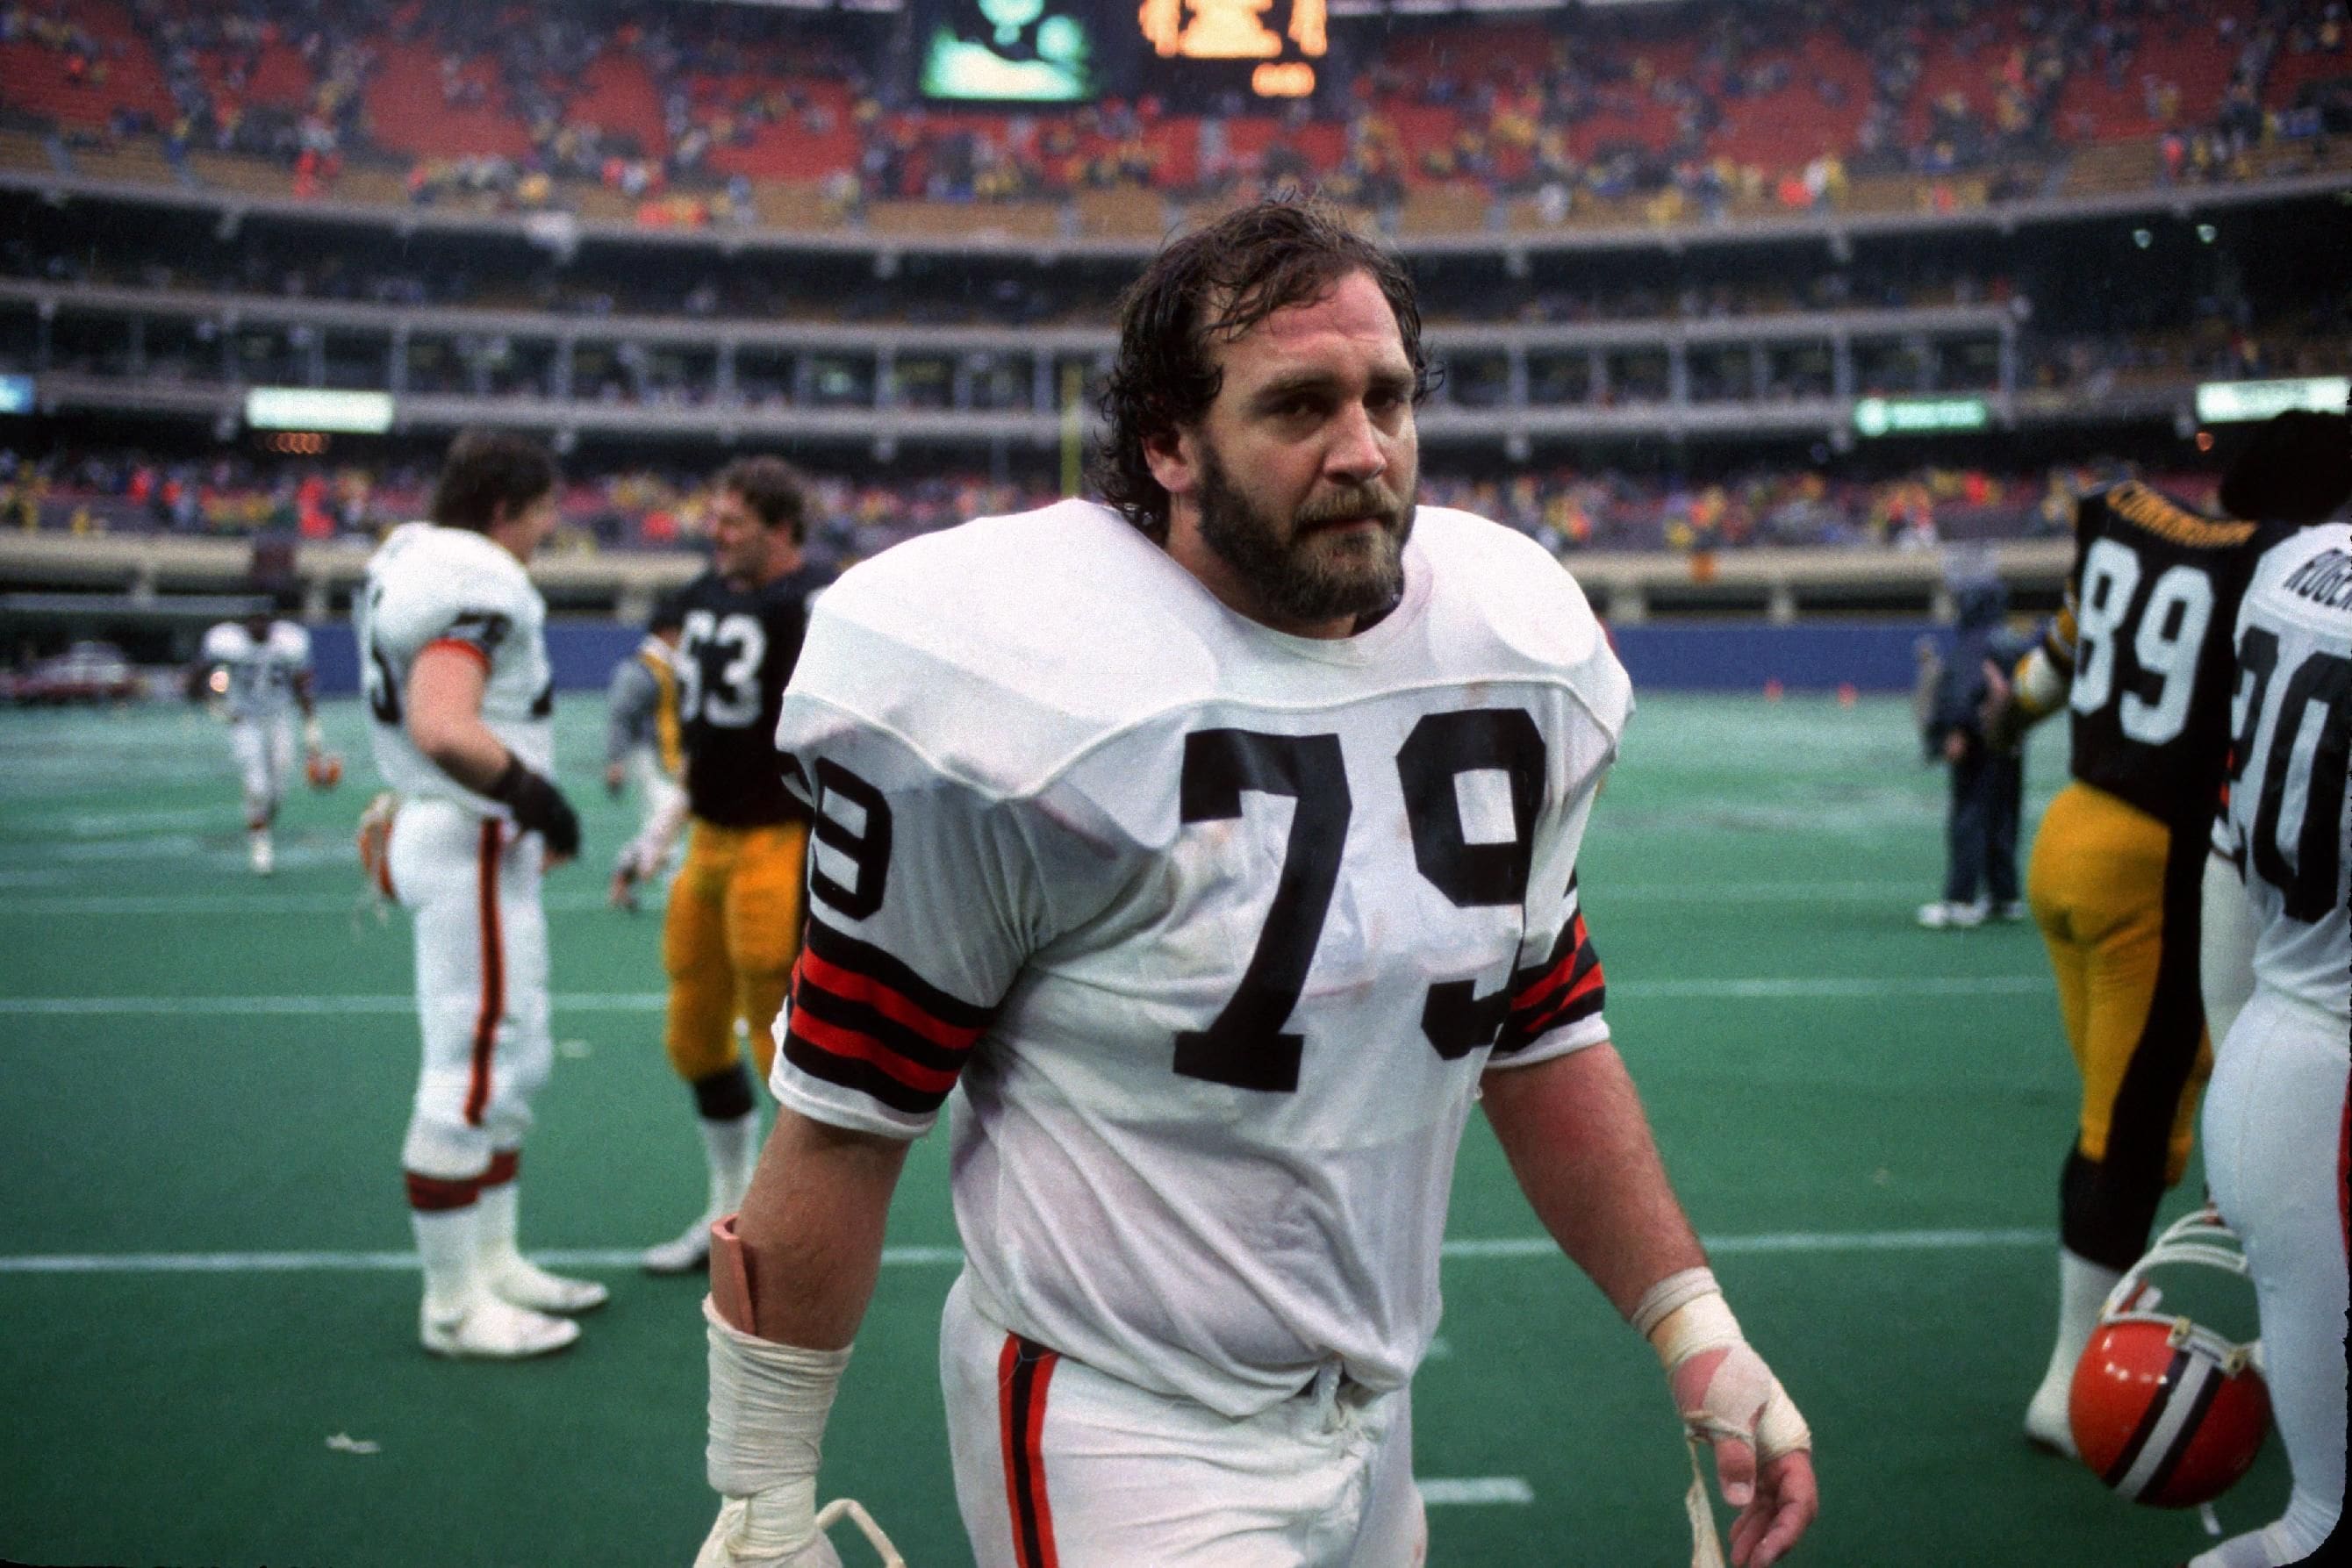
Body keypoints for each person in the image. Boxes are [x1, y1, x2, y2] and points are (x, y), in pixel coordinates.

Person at [694, 199, 1816, 1568]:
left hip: (1372, 1404)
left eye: (1387, 396)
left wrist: (1697, 1325)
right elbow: (845, 1118)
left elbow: (1539, 1028)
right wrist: (764, 1492)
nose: (1364, 449)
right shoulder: (1020, 689)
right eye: (1299, 405)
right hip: (1118, 1419)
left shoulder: (1506, 647)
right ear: (1168, 442)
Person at [1990, 411, 2342, 1457]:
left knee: (2132, 1108)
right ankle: (2069, 1385)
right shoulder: (2283, 568)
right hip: (2158, 861)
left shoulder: (2126, 524)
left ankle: (2132, 1328)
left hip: (2070, 831)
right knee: (2131, 1128)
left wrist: (1993, 724)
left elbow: (2045, 675)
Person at [355, 428, 606, 1360]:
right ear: (504, 509)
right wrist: (540, 800)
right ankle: (455, 1304)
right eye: (541, 514)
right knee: (470, 1069)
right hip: (469, 834)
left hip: (468, 838)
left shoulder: (414, 554)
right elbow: (443, 724)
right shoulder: (471, 574)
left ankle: (494, 1261)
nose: (545, 533)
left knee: (514, 1058)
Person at [2190, 420, 2349, 1568]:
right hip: (2330, 1100)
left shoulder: (2290, 568)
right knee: (2323, 1523)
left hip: (2271, 1043)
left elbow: (2226, 849)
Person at [622, 457, 828, 1277]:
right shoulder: (703, 595)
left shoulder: (813, 603)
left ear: (780, 531)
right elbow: (700, 738)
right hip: (709, 837)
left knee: (779, 1040)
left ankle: (796, 1225)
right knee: (693, 1030)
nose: (715, 531)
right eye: (714, 516)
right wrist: (658, 833)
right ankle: (726, 1207)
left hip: (779, 838)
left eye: (734, 521)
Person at [1916, 572, 2033, 928]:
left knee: (1970, 817)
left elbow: (1965, 688)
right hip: (2011, 741)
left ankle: (1960, 899)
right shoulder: (2011, 641)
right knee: (2003, 818)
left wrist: (1955, 729)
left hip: (1979, 741)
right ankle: (2004, 895)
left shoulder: (1975, 643)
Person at [196, 598, 329, 876]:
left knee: (277, 788)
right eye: (254, 620)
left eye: (264, 620)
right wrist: (215, 705)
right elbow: (198, 674)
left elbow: (302, 685)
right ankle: (260, 843)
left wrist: (311, 728)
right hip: (246, 721)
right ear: (245, 624)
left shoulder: (288, 644)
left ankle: (262, 825)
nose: (259, 626)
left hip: (278, 718)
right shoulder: (229, 644)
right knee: (256, 785)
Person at [605, 594, 687, 911]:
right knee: (668, 821)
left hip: (672, 755)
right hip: (651, 757)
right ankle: (676, 896)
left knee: (663, 823)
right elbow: (620, 715)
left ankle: (624, 874)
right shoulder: (641, 668)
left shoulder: (672, 665)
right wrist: (616, 761)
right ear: (668, 632)